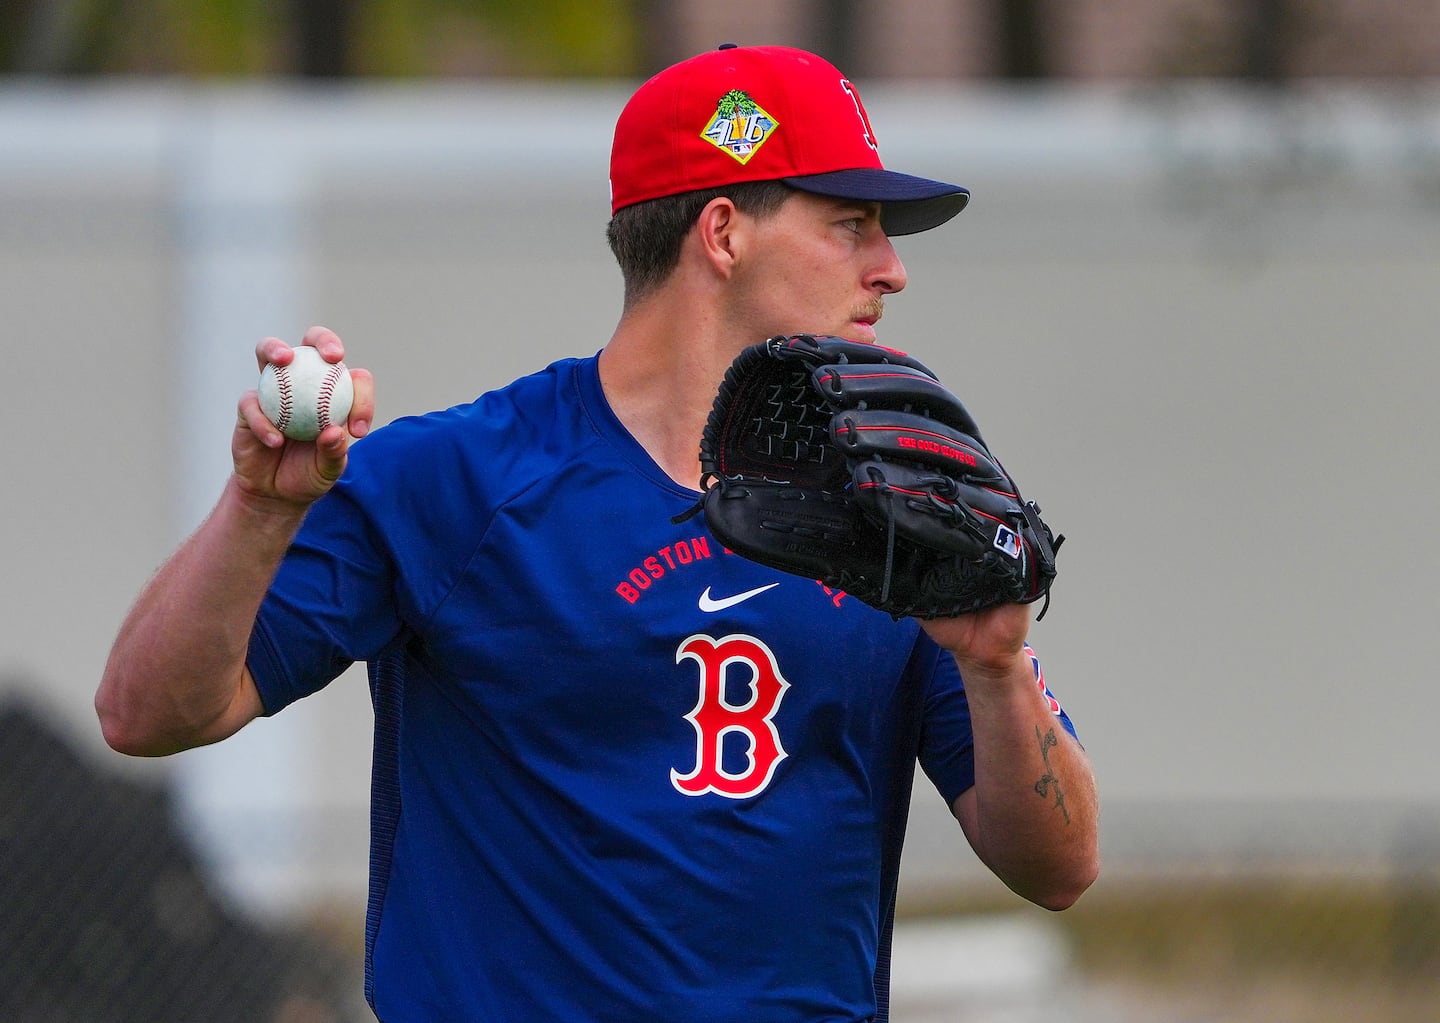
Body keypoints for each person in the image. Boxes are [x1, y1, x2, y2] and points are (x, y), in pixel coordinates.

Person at [97, 43, 1098, 1022]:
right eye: (852, 223)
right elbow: (148, 714)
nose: (891, 269)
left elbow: (1060, 868)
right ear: (723, 232)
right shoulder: (454, 480)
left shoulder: (898, 512)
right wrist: (261, 509)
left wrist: (998, 668)